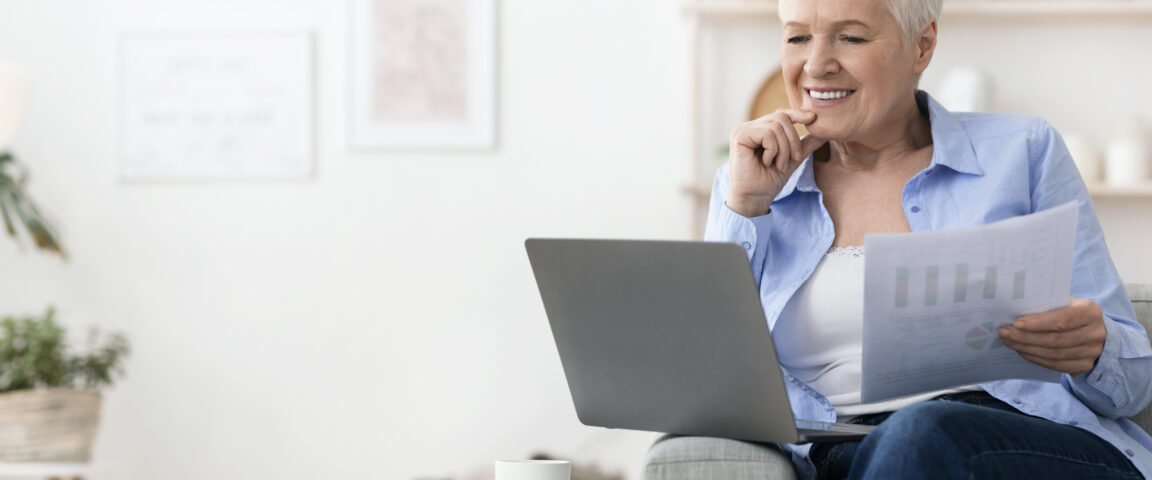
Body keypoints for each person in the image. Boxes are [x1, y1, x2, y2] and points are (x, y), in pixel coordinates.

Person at [705, 0, 1152, 478]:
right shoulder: (748, 186)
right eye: (797, 38)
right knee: (904, 442)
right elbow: (704, 380)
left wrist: (1094, 349)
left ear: (922, 45)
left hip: (1026, 443)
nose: (815, 65)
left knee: (920, 431)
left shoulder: (1023, 150)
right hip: (849, 455)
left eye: (851, 37)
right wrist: (747, 208)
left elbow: (1134, 385)